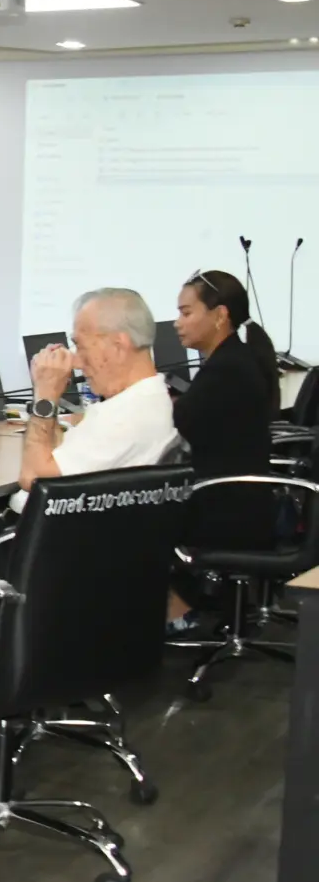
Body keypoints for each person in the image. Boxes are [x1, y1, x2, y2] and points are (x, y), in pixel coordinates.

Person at [169, 268, 282, 628]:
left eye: (186, 312)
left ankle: (176, 612)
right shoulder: (234, 359)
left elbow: (180, 422)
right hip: (242, 501)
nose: (177, 323)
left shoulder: (226, 369)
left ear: (220, 315)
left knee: (131, 513)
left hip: (224, 508)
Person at [20, 287, 178, 499]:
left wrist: (45, 396)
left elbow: (33, 478)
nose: (76, 362)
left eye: (81, 346)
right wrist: (52, 398)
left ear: (118, 347)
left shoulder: (124, 417)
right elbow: (56, 456)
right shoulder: (148, 398)